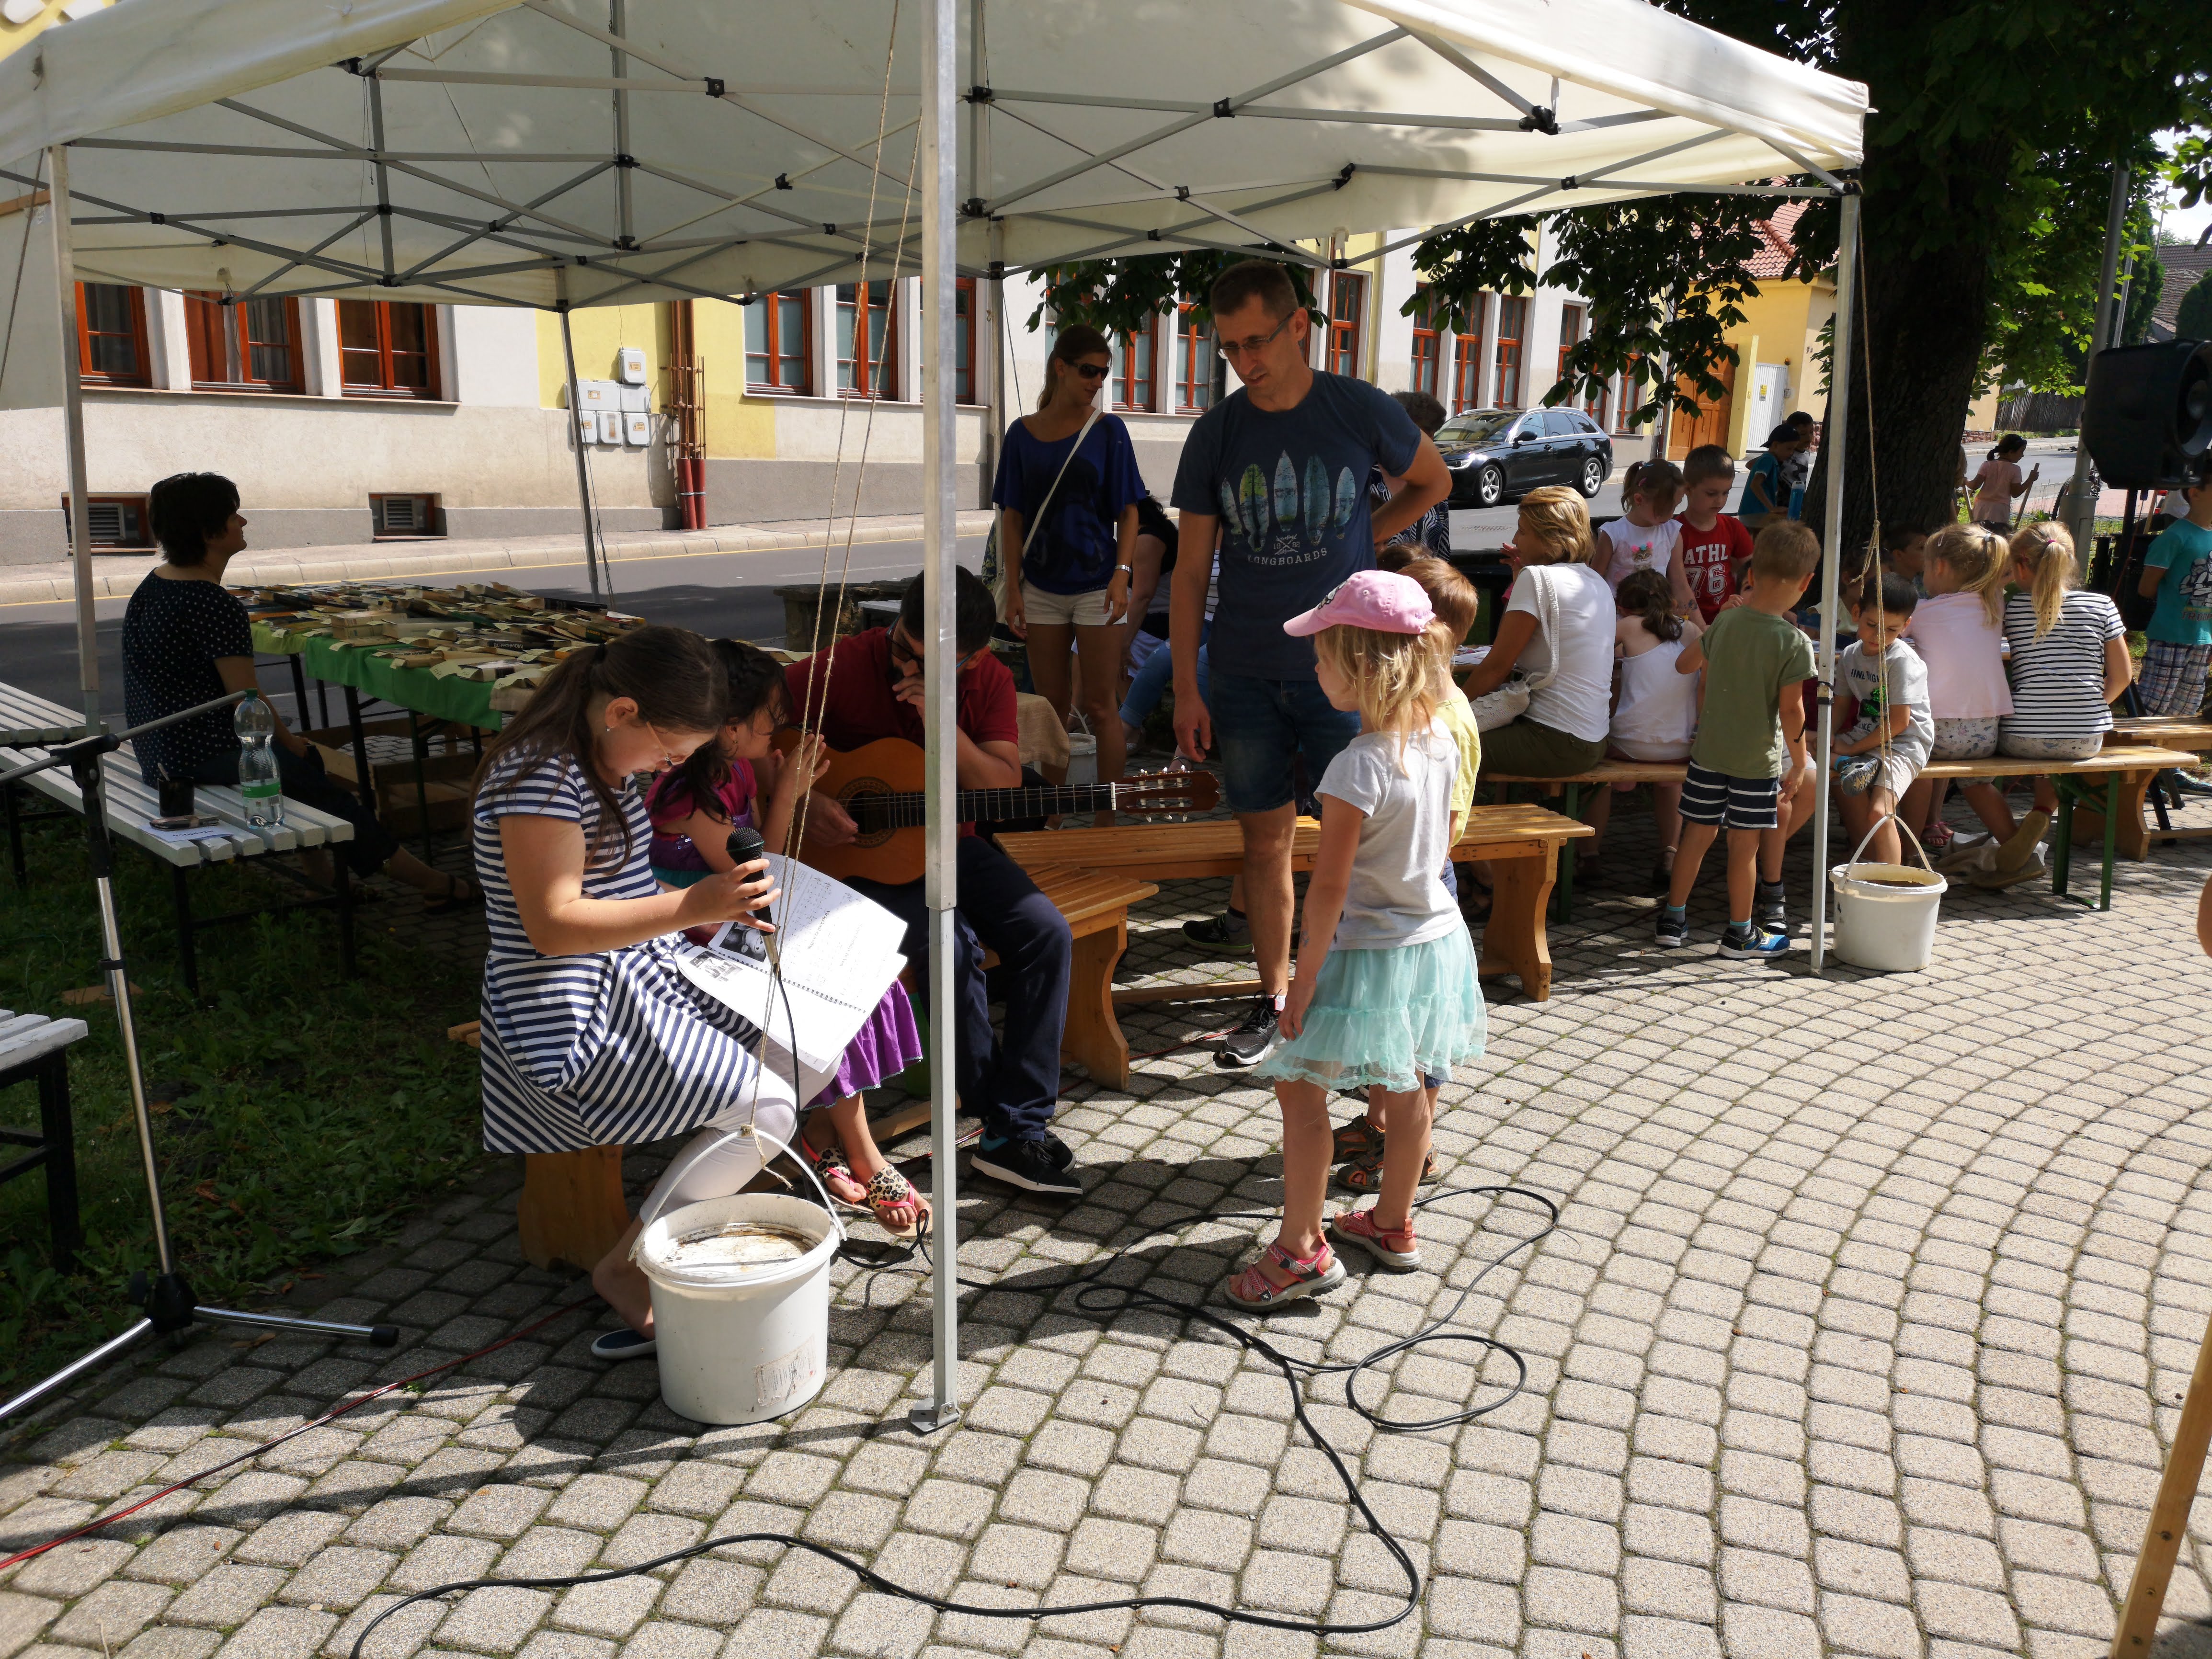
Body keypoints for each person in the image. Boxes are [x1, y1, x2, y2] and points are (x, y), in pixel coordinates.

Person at [471, 625, 796, 1361]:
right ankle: (631, 1267)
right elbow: (553, 927)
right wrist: (694, 906)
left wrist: (705, 921)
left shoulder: (593, 761)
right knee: (768, 1108)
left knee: (802, 1047)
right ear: (622, 713)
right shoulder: (542, 781)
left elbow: (616, 890)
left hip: (632, 977)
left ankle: (663, 1239)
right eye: (669, 753)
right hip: (569, 1012)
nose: (668, 769)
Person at [1168, 258, 1452, 1072]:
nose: (1244, 361)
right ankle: (1273, 997)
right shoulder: (1216, 432)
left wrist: (1365, 539)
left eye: (1257, 341)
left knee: (1365, 843)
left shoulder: (1355, 407)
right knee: (1263, 843)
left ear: (1298, 325)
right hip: (1244, 669)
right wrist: (1185, 685)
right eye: (1229, 348)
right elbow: (1189, 571)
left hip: (1349, 673)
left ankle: (1362, 1005)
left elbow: (1431, 481)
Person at [1226, 571, 1484, 1309]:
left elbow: (1328, 893)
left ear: (1363, 668)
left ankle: (1299, 1250)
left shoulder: (1354, 768)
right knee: (1408, 1085)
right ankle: (1393, 1224)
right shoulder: (1438, 738)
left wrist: (1299, 985)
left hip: (1371, 954)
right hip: (1436, 944)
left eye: (1322, 658)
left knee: (1299, 1088)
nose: (1313, 670)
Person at [784, 568, 1080, 1196]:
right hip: (856, 864)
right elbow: (748, 736)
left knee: (1047, 933)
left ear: (974, 653)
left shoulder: (990, 680)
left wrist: (945, 721)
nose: (909, 669)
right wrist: (802, 798)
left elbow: (1001, 785)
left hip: (953, 845)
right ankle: (1005, 1127)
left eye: (935, 664)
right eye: (903, 650)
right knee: (950, 947)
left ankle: (1014, 1127)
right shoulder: (843, 665)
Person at [645, 640, 929, 1238]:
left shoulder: (737, 769)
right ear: (728, 727)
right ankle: (861, 1151)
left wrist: (785, 789)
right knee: (818, 994)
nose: (777, 729)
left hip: (734, 922)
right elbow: (755, 873)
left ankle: (828, 1136)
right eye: (768, 718)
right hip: (695, 932)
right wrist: (786, 798)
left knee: (863, 977)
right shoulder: (687, 794)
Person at [122, 472, 473, 909]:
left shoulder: (157, 583)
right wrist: (293, 746)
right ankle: (434, 883)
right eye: (233, 516)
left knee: (301, 773)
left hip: (159, 749)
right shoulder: (211, 603)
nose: (243, 522)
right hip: (199, 758)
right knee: (324, 788)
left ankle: (322, 878)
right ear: (208, 533)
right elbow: (247, 700)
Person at [1327, 551, 1480, 1197]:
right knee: (1392, 1041)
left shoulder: (1442, 723)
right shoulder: (1419, 719)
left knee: (1415, 1045)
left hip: (1417, 892)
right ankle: (1380, 1127)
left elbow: (1446, 822)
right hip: (1411, 891)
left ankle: (1413, 1152)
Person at [995, 324, 1147, 804]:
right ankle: (1053, 813)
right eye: (1088, 371)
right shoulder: (1021, 434)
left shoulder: (1108, 431)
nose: (1097, 381)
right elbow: (1012, 517)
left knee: (1101, 707)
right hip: (1040, 587)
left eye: (1103, 373)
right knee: (1052, 708)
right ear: (1060, 367)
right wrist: (1014, 589)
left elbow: (1129, 510)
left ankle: (1107, 814)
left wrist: (1122, 574)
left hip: (1098, 585)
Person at [1656, 521, 1819, 956]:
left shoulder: (1726, 621)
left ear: (1751, 575)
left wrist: (1718, 630)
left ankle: (1672, 920)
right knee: (1744, 847)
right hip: (1756, 762)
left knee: (1695, 836)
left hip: (1709, 754)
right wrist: (1799, 763)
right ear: (1807, 582)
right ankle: (1740, 933)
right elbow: (1792, 711)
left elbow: (1684, 666)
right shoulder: (1794, 642)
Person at [1982, 522, 2131, 880]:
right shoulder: (2102, 605)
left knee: (1974, 777)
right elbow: (2122, 677)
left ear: (2020, 567)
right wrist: (2090, 708)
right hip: (2085, 738)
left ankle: (2013, 836)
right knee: (2057, 752)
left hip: (2023, 736)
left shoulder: (2013, 609)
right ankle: (2042, 812)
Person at [1582, 568, 1700, 894]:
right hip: (1681, 747)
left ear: (1622, 606)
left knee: (1598, 772)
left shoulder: (1628, 626)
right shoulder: (1691, 630)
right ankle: (1669, 853)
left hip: (1630, 746)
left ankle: (1589, 855)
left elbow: (1588, 652)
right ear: (1671, 602)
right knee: (1670, 784)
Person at [1899, 524, 2016, 848]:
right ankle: (2015, 847)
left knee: (1917, 767)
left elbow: (1884, 638)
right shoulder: (1994, 603)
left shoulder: (1921, 612)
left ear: (1939, 567)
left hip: (1936, 729)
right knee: (1976, 782)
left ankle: (1908, 853)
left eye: (1925, 568)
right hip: (1986, 732)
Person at [1831, 574, 1935, 869]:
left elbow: (1900, 723)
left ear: (1906, 626)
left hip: (1905, 742)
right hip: (1868, 734)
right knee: (1812, 748)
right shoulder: (1849, 655)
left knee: (1880, 812)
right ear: (1856, 613)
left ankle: (1891, 882)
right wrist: (1830, 737)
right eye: (1872, 625)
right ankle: (1849, 765)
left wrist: (1851, 748)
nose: (1879, 635)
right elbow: (1840, 706)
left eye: (1891, 630)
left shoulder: (1901, 660)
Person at [2135, 461, 2212, 718]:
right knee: (2154, 705)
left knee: (2187, 707)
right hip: (2170, 635)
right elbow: (2147, 588)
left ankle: (2170, 748)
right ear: (2195, 493)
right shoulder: (2175, 536)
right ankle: (2143, 744)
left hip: (2203, 638)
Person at [1593, 457, 1694, 615]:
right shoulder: (1614, 534)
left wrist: (1700, 625)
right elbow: (1594, 582)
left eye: (1675, 506)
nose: (1670, 515)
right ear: (1639, 499)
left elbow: (1680, 584)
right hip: (1621, 616)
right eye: (1664, 509)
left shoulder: (1671, 533)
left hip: (1658, 616)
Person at [1368, 388, 1452, 557]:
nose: (1428, 444)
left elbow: (1442, 550)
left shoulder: (1434, 481)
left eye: (1431, 436)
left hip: (1423, 573)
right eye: (1420, 436)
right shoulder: (1364, 478)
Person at [1675, 443, 1753, 624]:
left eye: (1726, 493)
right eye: (1711, 494)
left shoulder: (1733, 527)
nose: (1720, 501)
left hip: (1728, 619)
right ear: (1688, 489)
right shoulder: (1674, 531)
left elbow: (1755, 573)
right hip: (1686, 623)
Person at [1970, 434, 2038, 534]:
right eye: (2021, 452)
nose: (2022, 456)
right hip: (2000, 509)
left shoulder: (1987, 465)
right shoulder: (2015, 469)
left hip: (1981, 506)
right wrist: (2030, 480)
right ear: (2011, 452)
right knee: (1997, 535)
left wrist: (1965, 481)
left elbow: (1975, 485)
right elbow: (2016, 493)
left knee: (1978, 534)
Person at [1737, 424, 1802, 526]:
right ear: (1775, 445)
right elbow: (1755, 485)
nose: (1791, 453)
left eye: (1793, 450)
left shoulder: (1770, 459)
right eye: (1789, 449)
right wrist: (1772, 508)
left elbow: (1750, 465)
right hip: (1754, 514)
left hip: (1758, 513)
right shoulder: (1768, 459)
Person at [1779, 411, 1817, 519]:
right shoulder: (1783, 454)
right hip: (1781, 505)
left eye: (1811, 432)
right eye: (1803, 434)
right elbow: (1753, 465)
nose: (1809, 437)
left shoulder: (1807, 454)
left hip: (1798, 503)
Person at [1880, 522, 1932, 597]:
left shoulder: (1926, 584)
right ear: (1899, 555)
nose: (1928, 553)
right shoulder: (1884, 588)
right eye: (1921, 548)